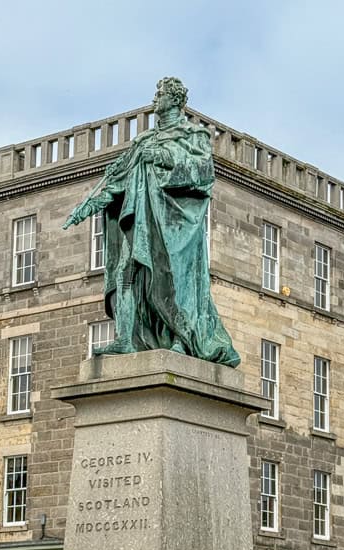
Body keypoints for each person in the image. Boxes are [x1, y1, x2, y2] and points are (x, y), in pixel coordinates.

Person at [64, 77, 240, 368]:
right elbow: (118, 180)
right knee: (125, 273)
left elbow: (203, 171)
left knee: (171, 280)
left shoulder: (193, 134)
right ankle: (125, 337)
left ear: (176, 99)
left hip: (174, 224)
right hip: (141, 220)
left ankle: (181, 337)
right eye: (156, 92)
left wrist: (162, 155)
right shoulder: (143, 141)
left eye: (161, 93)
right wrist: (92, 205)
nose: (155, 97)